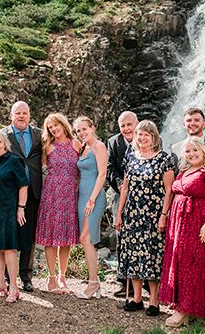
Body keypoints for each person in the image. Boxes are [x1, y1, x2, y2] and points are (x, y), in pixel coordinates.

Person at [160, 138, 205, 327]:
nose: (191, 154)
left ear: (203, 150)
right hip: (180, 224)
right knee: (181, 263)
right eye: (187, 151)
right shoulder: (184, 170)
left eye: (195, 150)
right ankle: (186, 307)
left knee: (194, 264)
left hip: (199, 222)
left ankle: (184, 310)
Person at [114, 120, 175, 317]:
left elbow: (169, 191)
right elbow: (125, 187)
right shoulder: (130, 158)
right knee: (134, 255)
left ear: (154, 137)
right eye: (140, 135)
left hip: (153, 214)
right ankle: (137, 298)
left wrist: (164, 215)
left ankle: (154, 301)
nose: (142, 138)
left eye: (146, 135)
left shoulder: (164, 159)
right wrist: (119, 212)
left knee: (152, 255)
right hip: (133, 213)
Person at [35, 113, 82, 294]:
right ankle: (51, 276)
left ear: (63, 125)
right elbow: (41, 169)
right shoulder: (47, 147)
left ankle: (63, 275)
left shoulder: (76, 144)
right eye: (50, 127)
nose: (54, 129)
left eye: (56, 125)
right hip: (52, 193)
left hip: (70, 193)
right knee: (51, 237)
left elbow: (83, 168)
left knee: (66, 238)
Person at [0, 129, 30, 304]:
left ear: (5, 143)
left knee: (9, 248)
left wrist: (21, 208)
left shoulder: (14, 161)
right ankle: (1, 284)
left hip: (8, 211)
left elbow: (23, 186)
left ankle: (14, 288)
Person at [5, 101, 43, 292]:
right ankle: (6, 276)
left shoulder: (39, 134)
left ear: (29, 115)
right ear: (11, 115)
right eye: (17, 113)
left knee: (29, 237)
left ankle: (26, 276)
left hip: (34, 191)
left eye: (25, 113)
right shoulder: (4, 136)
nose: (21, 116)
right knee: (9, 233)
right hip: (10, 192)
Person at [73, 116, 109, 300]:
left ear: (92, 128)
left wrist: (92, 199)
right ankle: (94, 282)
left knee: (85, 238)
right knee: (86, 240)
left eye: (84, 129)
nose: (81, 133)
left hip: (93, 197)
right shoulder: (83, 148)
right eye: (78, 131)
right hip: (82, 197)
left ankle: (93, 282)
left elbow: (102, 174)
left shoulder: (99, 146)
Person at [107, 111, 138, 298]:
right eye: (123, 126)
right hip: (120, 195)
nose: (126, 129)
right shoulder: (113, 142)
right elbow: (109, 167)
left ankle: (143, 282)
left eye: (129, 124)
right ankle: (124, 282)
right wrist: (120, 184)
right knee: (122, 238)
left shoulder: (147, 137)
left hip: (144, 195)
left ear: (137, 123)